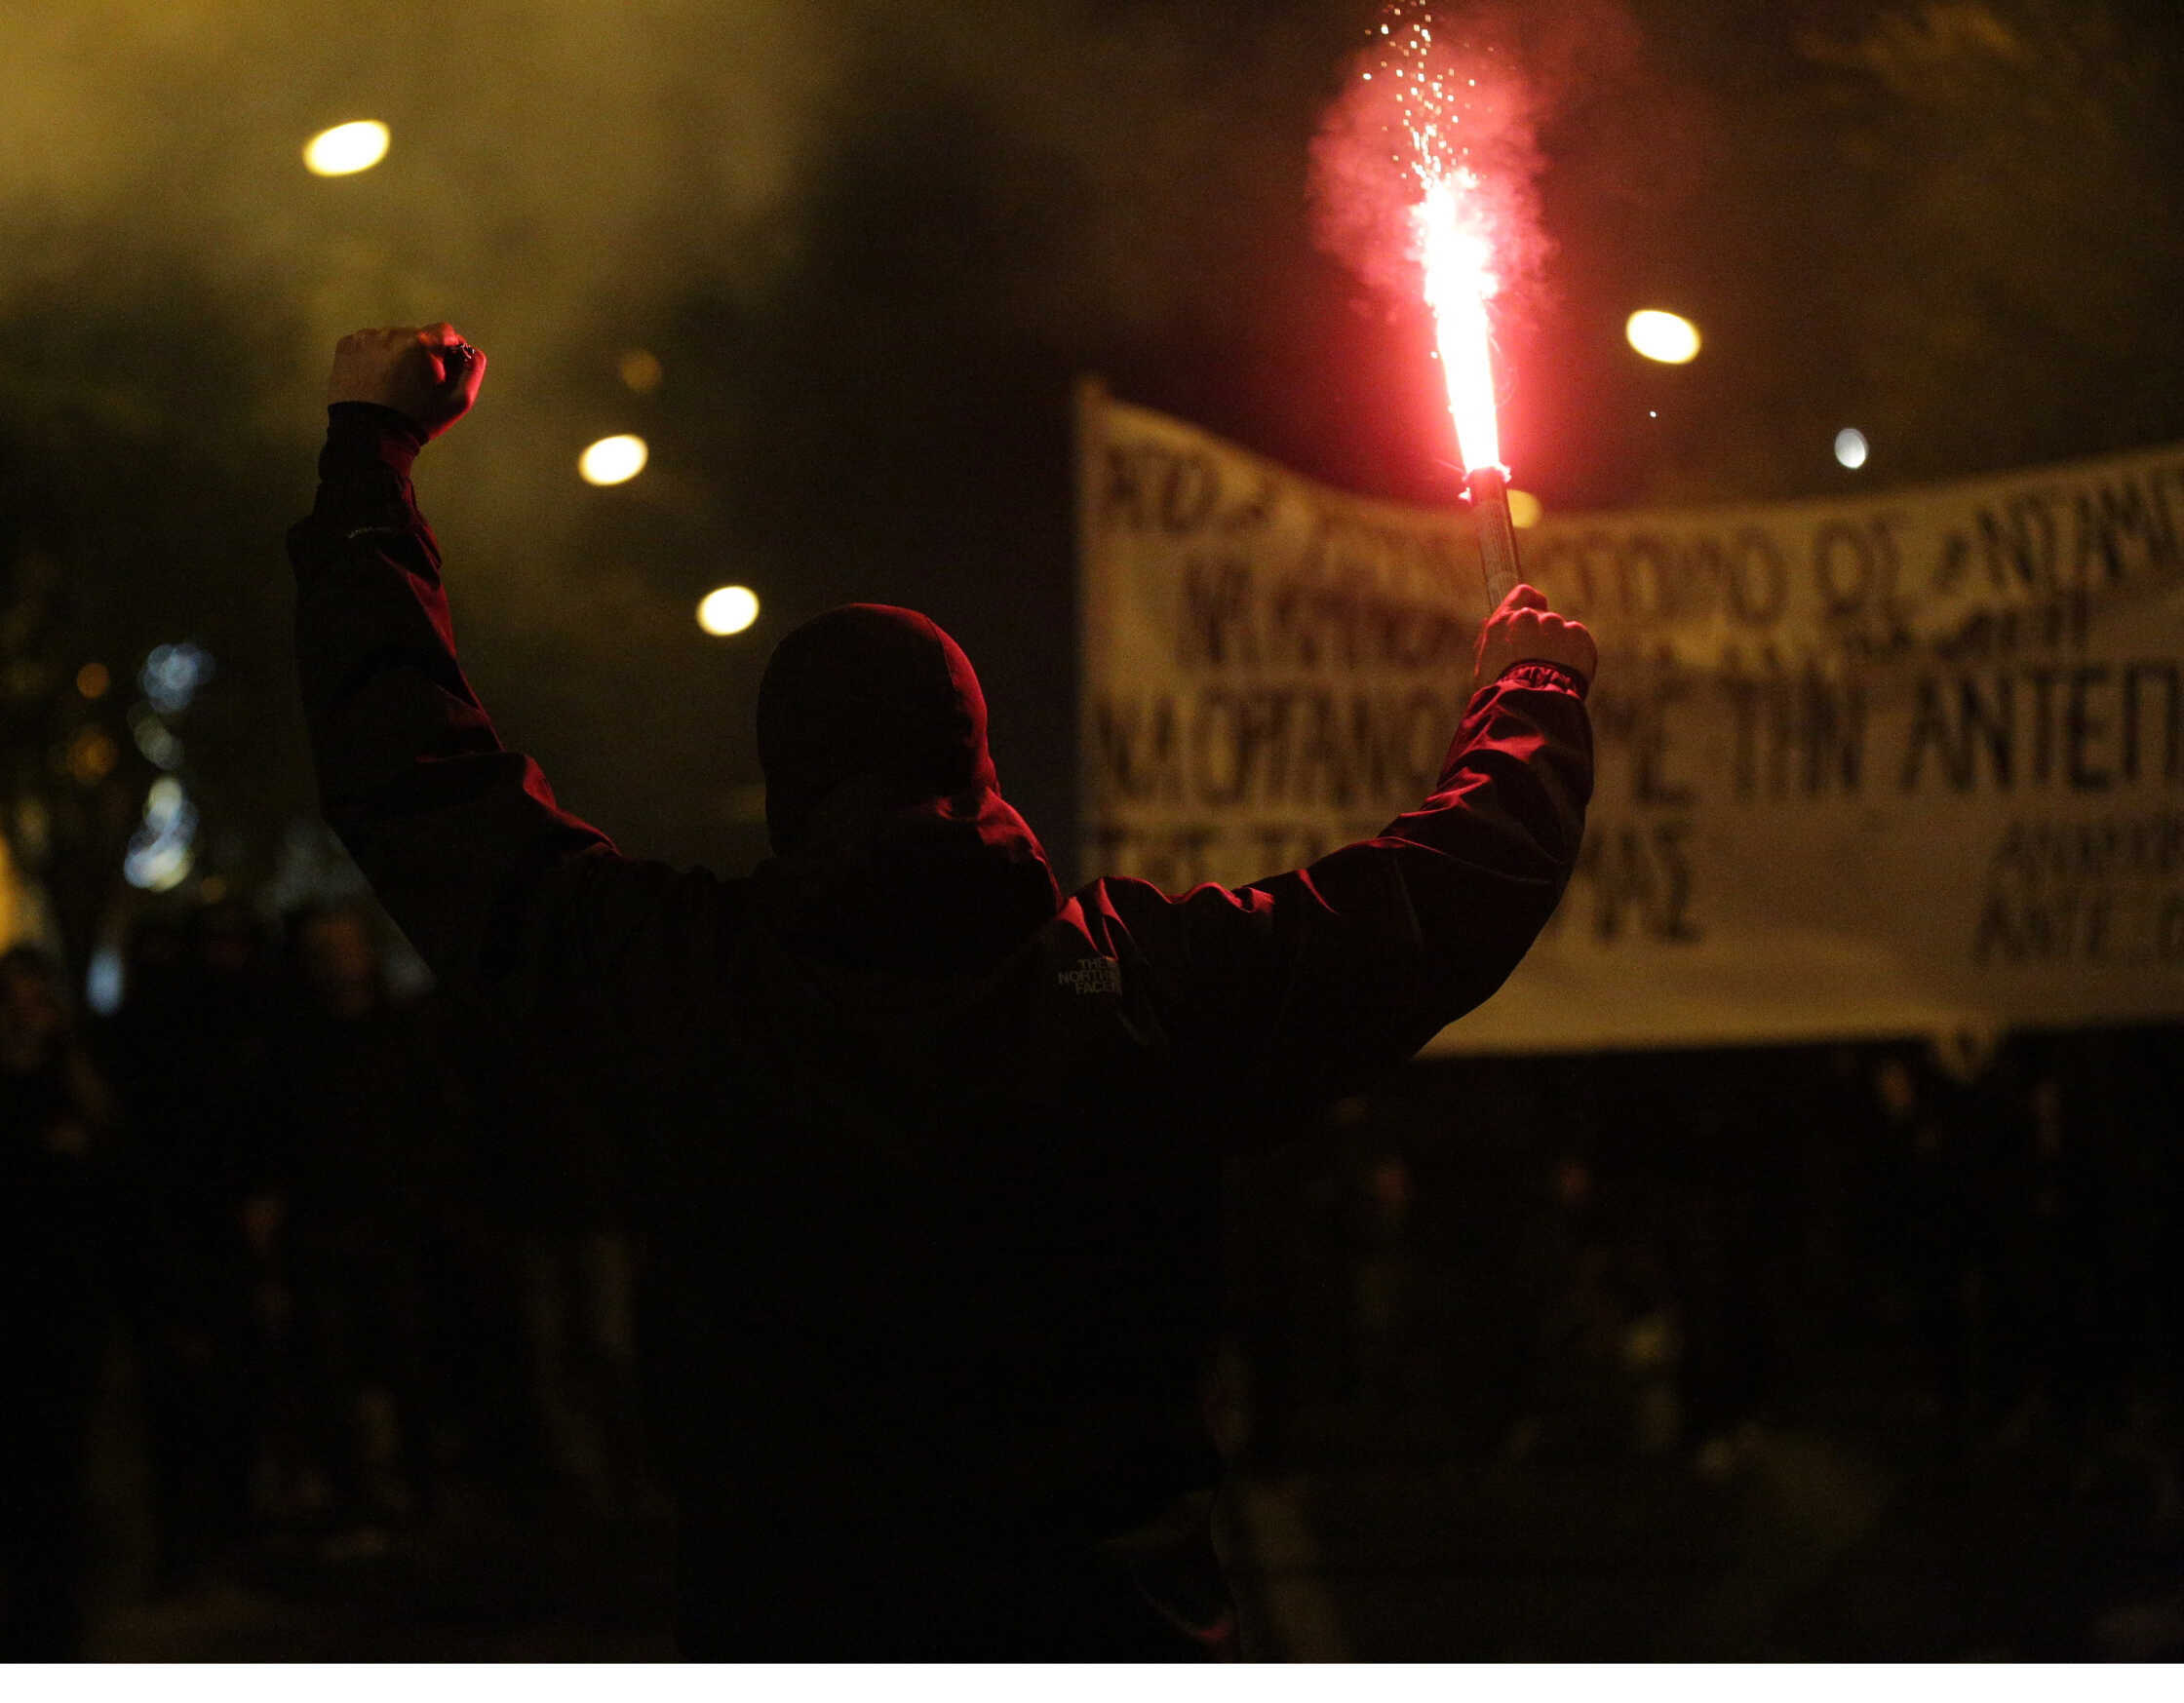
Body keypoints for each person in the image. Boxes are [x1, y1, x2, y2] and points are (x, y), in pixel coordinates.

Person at [289, 322, 1597, 1659]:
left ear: (790, 787)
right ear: (979, 762)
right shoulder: (1131, 988)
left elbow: (414, 780)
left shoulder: (680, 981)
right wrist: (1531, 696)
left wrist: (369, 458)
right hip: (1106, 1630)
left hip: (790, 1628)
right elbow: (1437, 898)